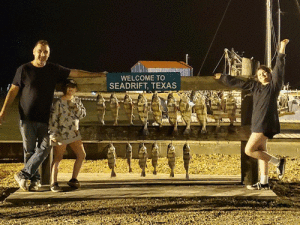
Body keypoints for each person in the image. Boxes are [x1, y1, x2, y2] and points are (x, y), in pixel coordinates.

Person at [0, 40, 104, 191]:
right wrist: (3, 112)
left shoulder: (53, 69)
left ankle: (23, 174)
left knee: (46, 146)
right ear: (34, 52)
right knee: (29, 151)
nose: (42, 55)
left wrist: (97, 75)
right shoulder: (24, 69)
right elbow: (13, 91)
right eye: (40, 51)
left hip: (45, 118)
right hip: (26, 118)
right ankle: (34, 180)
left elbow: (75, 72)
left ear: (48, 54)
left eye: (46, 52)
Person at [214, 39, 289, 190]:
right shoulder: (255, 87)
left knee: (249, 150)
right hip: (257, 124)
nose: (262, 76)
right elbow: (239, 83)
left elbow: (279, 68)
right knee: (261, 152)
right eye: (260, 74)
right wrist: (223, 78)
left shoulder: (274, 87)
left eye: (265, 73)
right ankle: (264, 182)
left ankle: (278, 162)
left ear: (269, 74)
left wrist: (282, 47)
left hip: (265, 124)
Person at [49, 79, 86, 192]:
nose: (70, 89)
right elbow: (53, 119)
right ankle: (53, 183)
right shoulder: (58, 103)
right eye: (68, 87)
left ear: (76, 89)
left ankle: (73, 179)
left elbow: (82, 114)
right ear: (65, 88)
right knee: (58, 157)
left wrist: (75, 106)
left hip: (74, 133)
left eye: (73, 87)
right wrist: (53, 133)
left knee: (81, 154)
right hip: (61, 134)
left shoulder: (77, 101)